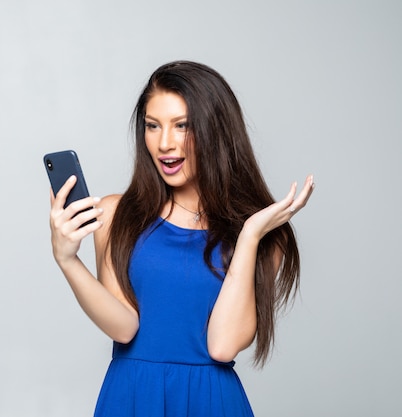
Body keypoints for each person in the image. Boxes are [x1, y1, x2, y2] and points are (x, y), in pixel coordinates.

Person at [48, 60, 314, 416]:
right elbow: (125, 328)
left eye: (182, 126)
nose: (164, 144)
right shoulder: (115, 214)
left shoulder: (264, 233)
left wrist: (249, 236)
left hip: (212, 401)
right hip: (130, 398)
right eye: (153, 126)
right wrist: (67, 260)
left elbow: (222, 346)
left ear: (215, 131)